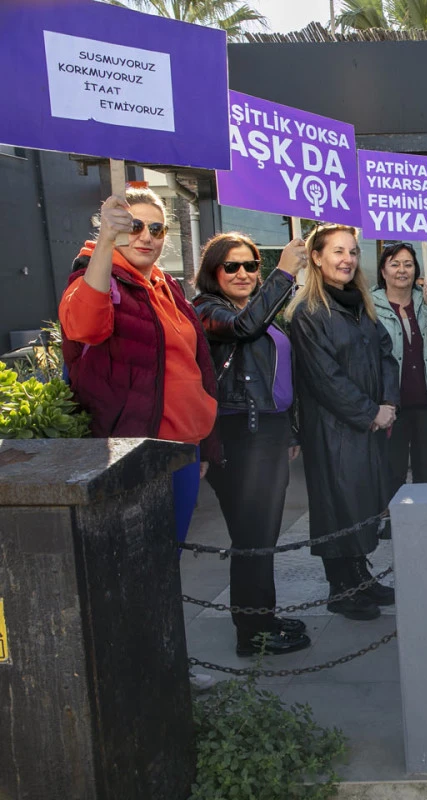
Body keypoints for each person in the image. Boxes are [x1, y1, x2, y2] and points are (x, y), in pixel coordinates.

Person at [59, 187, 220, 690]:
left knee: (163, 566)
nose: (146, 237)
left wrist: (205, 445)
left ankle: (163, 663)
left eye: (156, 228)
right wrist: (106, 242)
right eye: (135, 227)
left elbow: (197, 367)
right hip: (135, 452)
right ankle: (133, 678)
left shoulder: (165, 286)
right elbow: (83, 325)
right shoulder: (97, 277)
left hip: (182, 452)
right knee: (133, 569)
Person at [193, 233, 311, 658]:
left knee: (264, 535)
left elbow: (276, 375)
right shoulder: (208, 310)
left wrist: (290, 433)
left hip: (270, 432)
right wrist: (285, 274)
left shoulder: (262, 309)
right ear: (213, 272)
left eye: (251, 265)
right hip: (240, 436)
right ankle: (253, 634)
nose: (243, 273)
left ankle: (264, 617)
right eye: (232, 266)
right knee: (253, 537)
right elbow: (244, 330)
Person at [288, 224, 399, 622]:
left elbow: (387, 353)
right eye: (337, 251)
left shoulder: (361, 306)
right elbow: (324, 378)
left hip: (366, 425)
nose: (347, 259)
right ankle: (342, 588)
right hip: (333, 429)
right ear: (317, 257)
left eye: (352, 251)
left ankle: (360, 577)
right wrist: (370, 413)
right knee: (338, 506)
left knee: (363, 503)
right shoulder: (308, 313)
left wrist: (387, 402)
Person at [371, 243, 427, 493]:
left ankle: (424, 525)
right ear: (383, 271)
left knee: (426, 473)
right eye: (395, 264)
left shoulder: (425, 301)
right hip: (390, 405)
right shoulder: (369, 305)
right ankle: (392, 525)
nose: (402, 270)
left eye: (408, 264)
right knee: (392, 472)